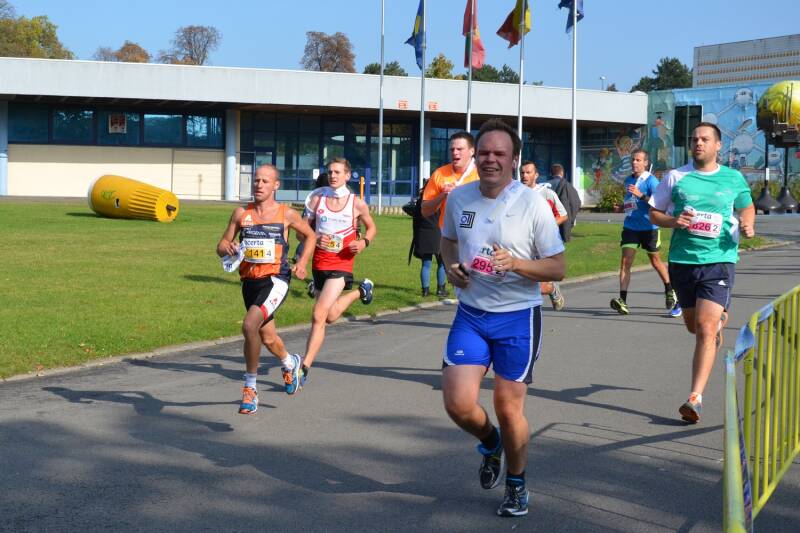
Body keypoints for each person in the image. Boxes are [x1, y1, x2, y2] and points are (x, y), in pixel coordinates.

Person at [440, 119, 565, 517]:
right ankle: (491, 442)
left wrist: (519, 264)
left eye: (500, 154)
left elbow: (558, 268)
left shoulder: (532, 204)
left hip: (517, 317)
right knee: (459, 404)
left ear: (514, 160)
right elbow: (447, 241)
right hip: (472, 313)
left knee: (509, 408)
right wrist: (451, 267)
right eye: (485, 153)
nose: (491, 160)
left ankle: (516, 482)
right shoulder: (459, 198)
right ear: (476, 157)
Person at [649, 122, 755, 424]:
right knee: (694, 327)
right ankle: (715, 322)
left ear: (718, 145)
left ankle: (694, 398)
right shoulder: (675, 177)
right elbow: (654, 212)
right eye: (694, 139)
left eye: (705, 139)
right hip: (683, 261)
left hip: (719, 260)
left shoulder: (733, 178)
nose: (698, 143)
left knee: (706, 330)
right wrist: (673, 221)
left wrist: (749, 225)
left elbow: (747, 208)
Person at [216, 164, 317, 414]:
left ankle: (250, 389)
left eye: (265, 181)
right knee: (267, 337)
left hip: (276, 280)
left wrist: (302, 263)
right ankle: (289, 363)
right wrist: (226, 248)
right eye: (256, 180)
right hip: (249, 282)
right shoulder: (241, 213)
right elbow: (221, 244)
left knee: (249, 325)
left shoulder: (287, 214)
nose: (259, 185)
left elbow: (311, 236)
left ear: (276, 185)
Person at [300, 157, 377, 383]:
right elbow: (300, 232)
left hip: (342, 264)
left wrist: (363, 243)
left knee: (318, 315)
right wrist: (315, 237)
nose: (333, 175)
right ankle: (361, 291)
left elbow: (372, 228)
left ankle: (303, 368)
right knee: (331, 316)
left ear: (347, 175)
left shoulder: (356, 203)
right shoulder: (316, 200)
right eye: (330, 172)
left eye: (337, 172)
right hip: (319, 263)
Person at [609, 149, 682, 318]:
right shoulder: (628, 180)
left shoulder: (651, 181)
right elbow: (630, 201)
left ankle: (670, 291)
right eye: (633, 160)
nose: (634, 163)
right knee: (625, 262)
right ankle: (623, 300)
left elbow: (659, 205)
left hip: (650, 227)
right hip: (630, 227)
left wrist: (641, 195)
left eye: (638, 160)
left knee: (656, 262)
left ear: (645, 163)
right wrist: (621, 207)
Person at [521, 161, 567, 311]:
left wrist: (545, 228)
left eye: (528, 172)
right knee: (521, 280)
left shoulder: (547, 193)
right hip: (523, 244)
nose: (524, 176)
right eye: (522, 173)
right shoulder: (516, 193)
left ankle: (552, 289)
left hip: (542, 245)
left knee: (538, 285)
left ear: (536, 175)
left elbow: (563, 215)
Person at [421, 131, 480, 229]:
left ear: (472, 151)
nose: (455, 152)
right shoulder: (439, 174)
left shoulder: (482, 174)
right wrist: (443, 195)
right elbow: (425, 211)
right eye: (452, 149)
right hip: (449, 238)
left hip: (476, 236)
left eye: (459, 149)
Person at [409, 179, 447, 297]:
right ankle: (440, 290)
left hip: (424, 234)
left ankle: (425, 291)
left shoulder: (421, 201)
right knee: (442, 263)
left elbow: (415, 221)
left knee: (426, 264)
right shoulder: (441, 200)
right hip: (439, 234)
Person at [293, 172, 329, 265]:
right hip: (312, 224)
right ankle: (298, 256)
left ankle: (298, 256)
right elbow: (300, 232)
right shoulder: (315, 199)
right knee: (307, 235)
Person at [545, 164, 582, 242]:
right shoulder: (568, 186)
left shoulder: (544, 186)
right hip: (562, 222)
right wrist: (570, 221)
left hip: (546, 223)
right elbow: (575, 203)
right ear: (562, 173)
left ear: (551, 173)